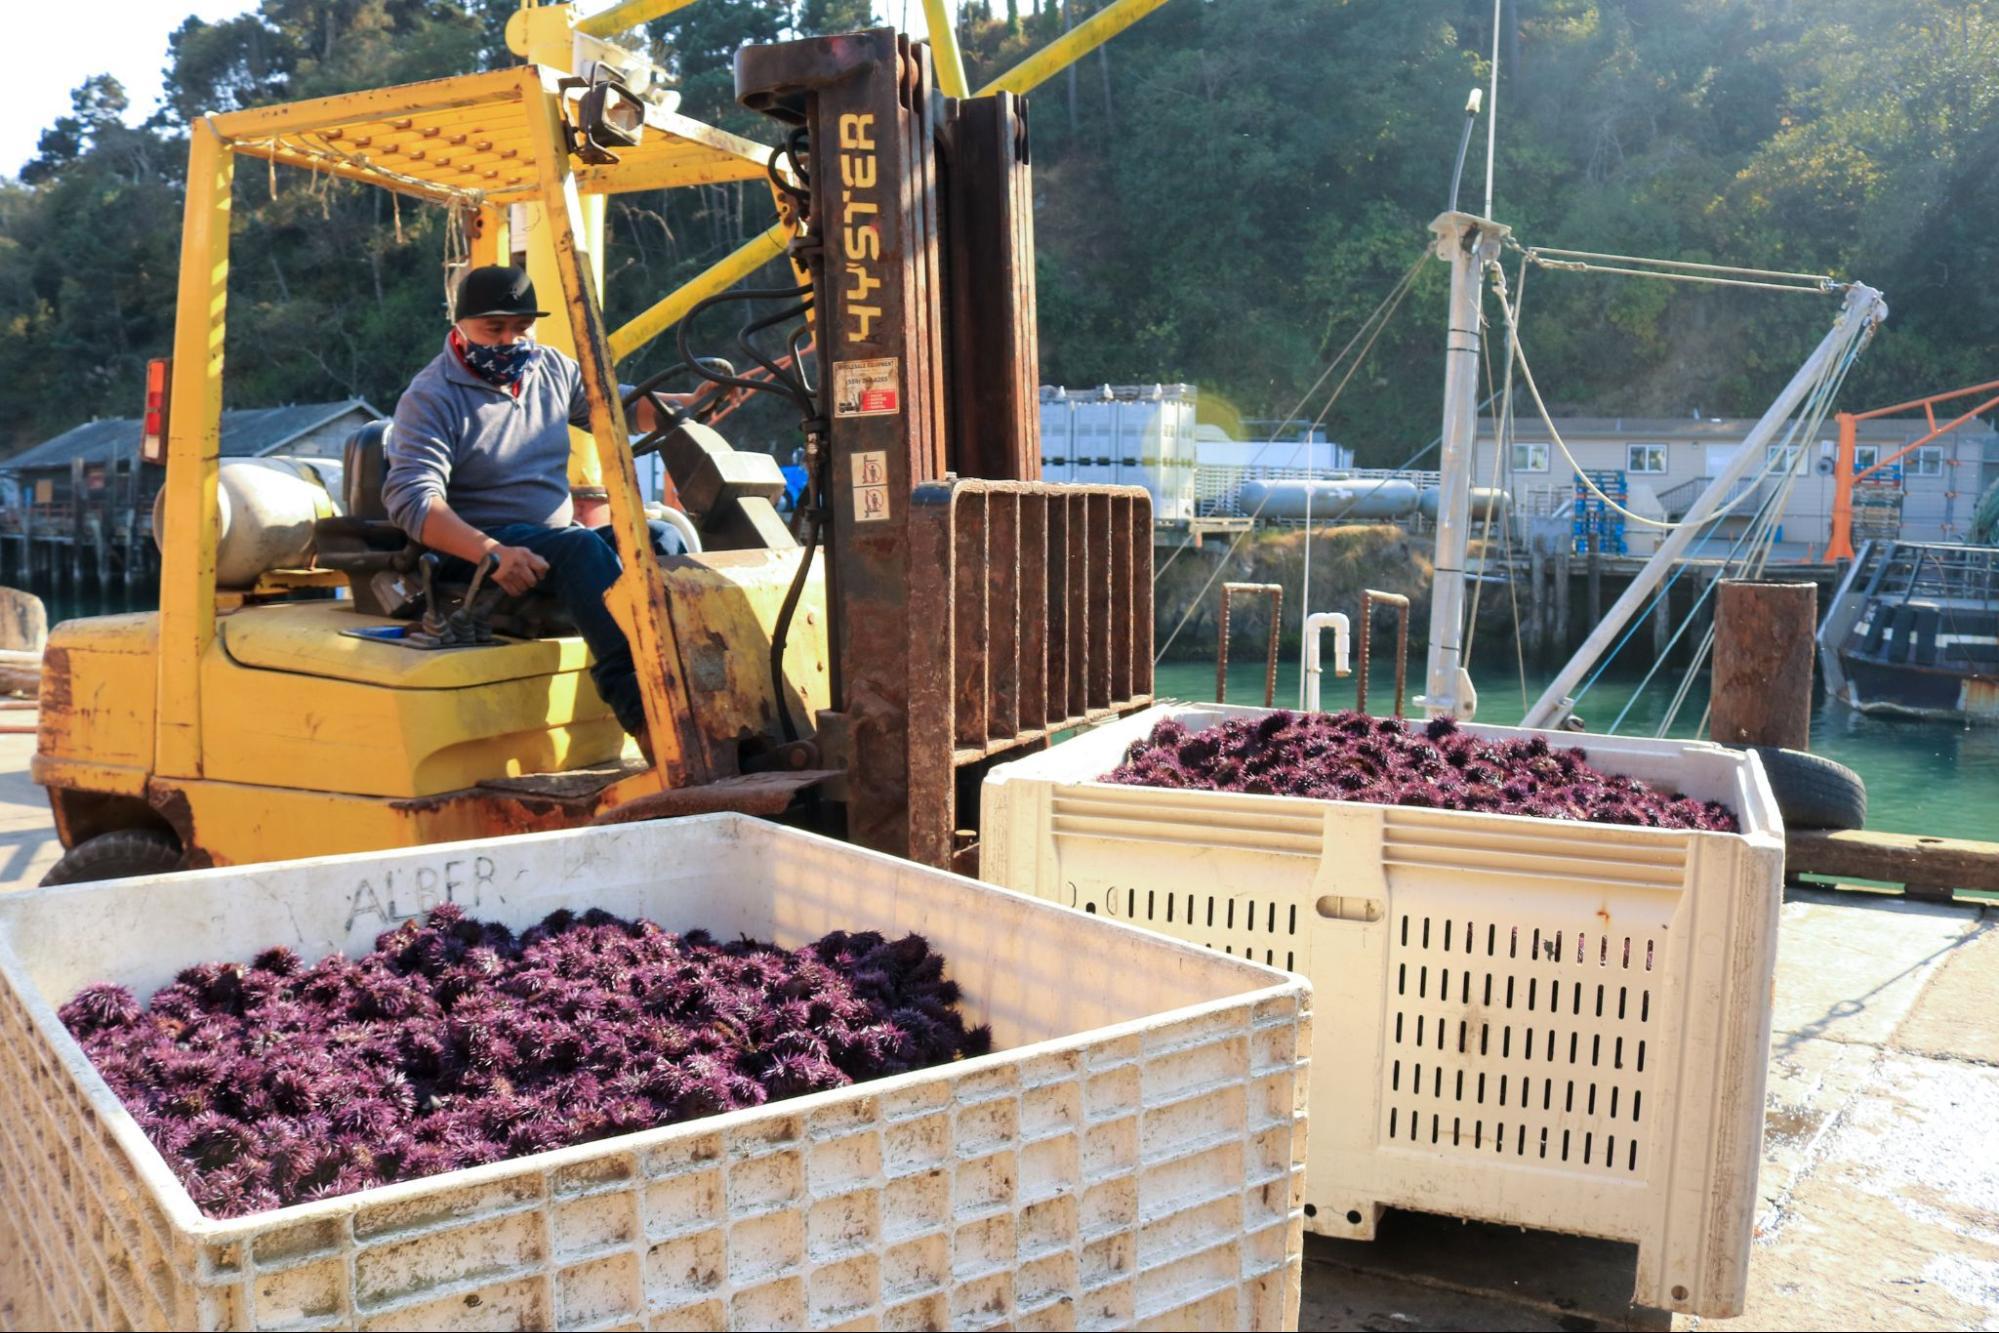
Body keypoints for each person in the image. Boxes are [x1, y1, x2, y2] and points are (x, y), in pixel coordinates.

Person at [383, 264, 684, 747]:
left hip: (553, 542)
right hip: (478, 551)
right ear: (459, 327)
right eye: (494, 329)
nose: (509, 341)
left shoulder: (552, 369)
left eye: (521, 327)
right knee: (579, 549)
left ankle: (688, 679)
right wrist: (491, 551)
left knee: (662, 538)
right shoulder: (430, 397)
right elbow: (414, 502)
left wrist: (690, 404)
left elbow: (618, 406)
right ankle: (647, 715)